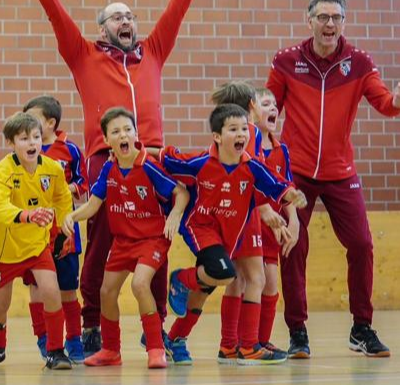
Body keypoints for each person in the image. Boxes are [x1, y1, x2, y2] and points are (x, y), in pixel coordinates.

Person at [22, 0, 208, 355]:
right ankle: (91, 326)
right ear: (102, 28)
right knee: (101, 245)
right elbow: (57, 18)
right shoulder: (83, 54)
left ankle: (156, 327)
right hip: (105, 162)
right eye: (116, 17)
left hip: (152, 160)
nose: (126, 21)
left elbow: (176, 13)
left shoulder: (154, 51)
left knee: (157, 243)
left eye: (130, 16)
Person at [267, 0, 400, 358]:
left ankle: (362, 328)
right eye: (323, 17)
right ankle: (298, 331)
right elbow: (269, 109)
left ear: (344, 22)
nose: (330, 24)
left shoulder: (358, 62)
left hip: (341, 172)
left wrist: (397, 100)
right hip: (297, 173)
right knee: (293, 246)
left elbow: (385, 104)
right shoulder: (287, 60)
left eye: (336, 18)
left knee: (361, 244)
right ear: (309, 21)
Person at [163, 104, 306, 366]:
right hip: (202, 228)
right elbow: (169, 159)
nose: (242, 133)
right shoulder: (201, 163)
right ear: (217, 136)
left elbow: (276, 185)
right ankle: (181, 280)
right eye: (233, 129)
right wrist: (142, 150)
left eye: (244, 129)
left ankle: (177, 337)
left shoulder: (254, 166)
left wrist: (291, 196)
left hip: (230, 234)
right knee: (228, 275)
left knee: (208, 286)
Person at [63, 107, 189, 369]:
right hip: (123, 242)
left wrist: (176, 214)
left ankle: (156, 348)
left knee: (140, 284)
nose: (123, 135)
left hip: (152, 239)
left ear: (135, 134)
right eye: (116, 131)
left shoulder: (149, 165)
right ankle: (111, 350)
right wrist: (71, 217)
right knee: (106, 291)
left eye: (127, 129)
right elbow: (93, 205)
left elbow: (181, 192)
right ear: (107, 140)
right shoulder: (108, 168)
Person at [0, 112, 73, 370]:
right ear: (11, 143)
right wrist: (28, 215)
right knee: (0, 304)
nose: (32, 143)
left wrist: (65, 223)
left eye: (36, 137)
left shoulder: (52, 169)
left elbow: (63, 198)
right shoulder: (1, 171)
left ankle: (55, 350)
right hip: (6, 248)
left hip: (37, 246)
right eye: (24, 138)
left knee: (51, 291)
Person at [22, 96, 88, 361]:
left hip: (64, 230)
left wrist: (64, 189)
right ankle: (44, 337)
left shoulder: (69, 150)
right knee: (37, 288)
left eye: (34, 118)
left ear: (50, 123)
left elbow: (84, 186)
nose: (28, 124)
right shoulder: (23, 151)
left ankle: (74, 339)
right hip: (32, 232)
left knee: (68, 289)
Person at [252, 88, 299, 353]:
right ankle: (239, 341)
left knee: (271, 283)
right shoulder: (247, 144)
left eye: (274, 105)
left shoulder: (282, 150)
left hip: (274, 230)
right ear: (252, 109)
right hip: (251, 225)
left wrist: (293, 220)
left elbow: (287, 189)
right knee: (250, 282)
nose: (273, 108)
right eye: (265, 103)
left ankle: (261, 340)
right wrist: (261, 211)